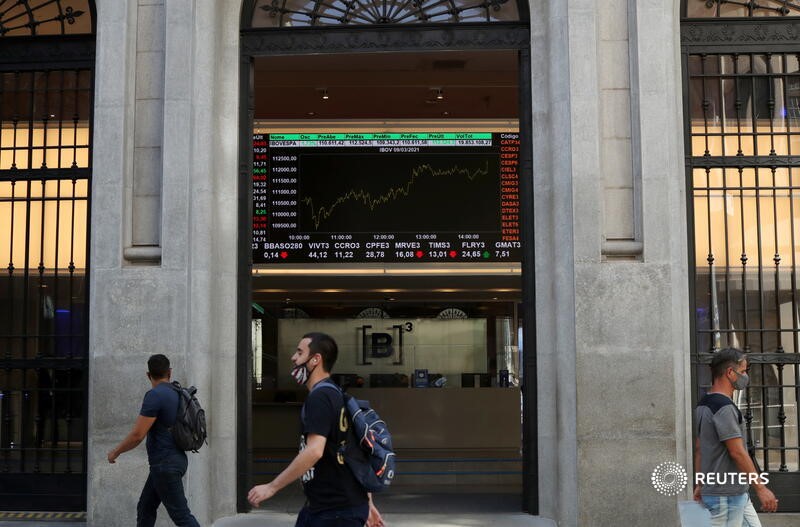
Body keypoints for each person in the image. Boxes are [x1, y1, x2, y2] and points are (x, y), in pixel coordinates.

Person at [248, 332, 384, 527]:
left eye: (300, 352)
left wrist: (271, 487)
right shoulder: (337, 394)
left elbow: (314, 451)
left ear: (315, 360)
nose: (294, 358)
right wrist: (368, 502)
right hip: (330, 507)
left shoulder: (320, 397)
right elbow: (357, 451)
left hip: (334, 512)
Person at [108, 354, 200, 527]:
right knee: (146, 507)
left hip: (165, 465)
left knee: (182, 516)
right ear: (169, 372)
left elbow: (137, 435)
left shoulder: (155, 395)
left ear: (148, 375)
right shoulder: (177, 393)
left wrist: (116, 452)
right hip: (174, 461)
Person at [693, 348, 778, 526]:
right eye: (743, 371)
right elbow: (737, 452)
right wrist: (761, 488)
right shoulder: (724, 408)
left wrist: (701, 483)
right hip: (726, 497)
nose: (745, 376)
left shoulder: (704, 404)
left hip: (735, 493)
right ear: (730, 373)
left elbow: (700, 448)